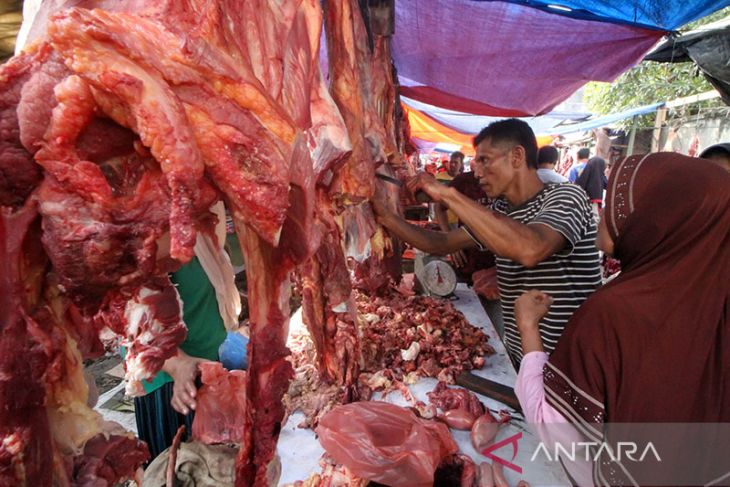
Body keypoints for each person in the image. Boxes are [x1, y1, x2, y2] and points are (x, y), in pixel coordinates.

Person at [513, 153, 730, 485]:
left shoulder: (613, 313)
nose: (605, 213)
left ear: (658, 216)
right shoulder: (715, 304)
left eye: (621, 201)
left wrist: (528, 327)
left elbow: (557, 433)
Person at [373, 119, 601, 368]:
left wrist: (447, 194)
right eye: (475, 161)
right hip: (524, 359)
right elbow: (441, 242)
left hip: (570, 362)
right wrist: (386, 217)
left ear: (517, 156)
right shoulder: (500, 209)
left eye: (485, 160)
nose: (477, 172)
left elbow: (532, 249)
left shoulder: (566, 196)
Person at [575, 156, 607, 222]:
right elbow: (607, 185)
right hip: (595, 201)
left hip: (584, 200)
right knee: (593, 220)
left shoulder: (586, 171)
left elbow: (579, 184)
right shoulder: (601, 176)